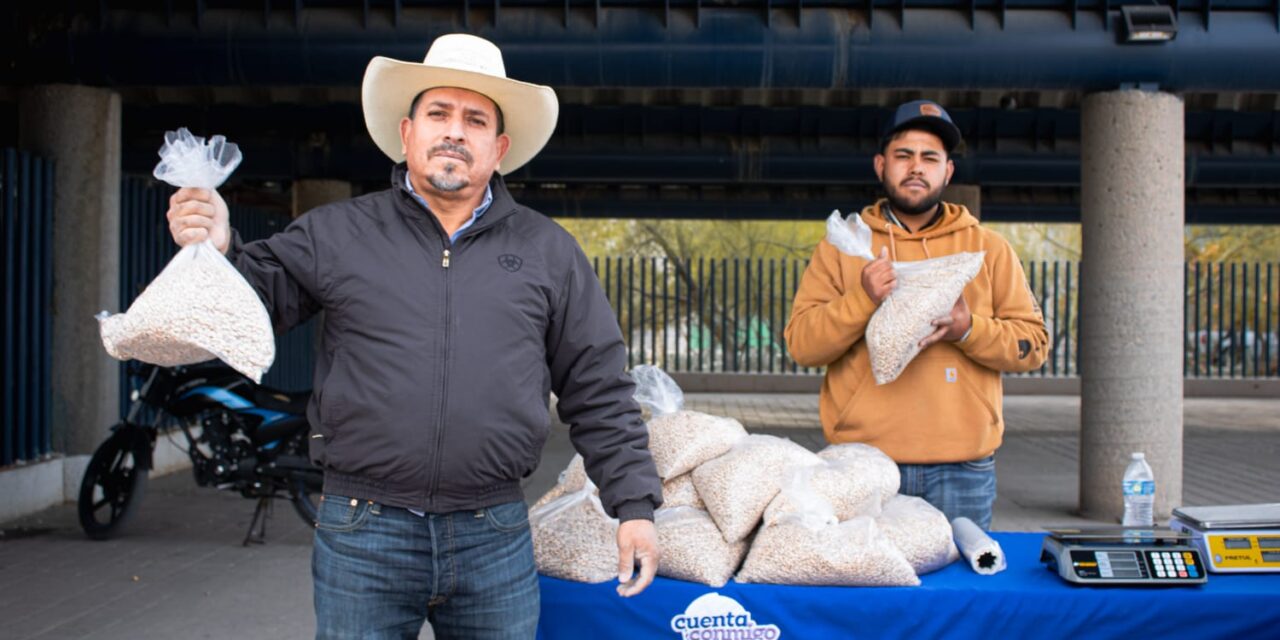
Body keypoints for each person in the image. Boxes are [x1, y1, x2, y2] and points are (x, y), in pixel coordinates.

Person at [165, 33, 662, 639]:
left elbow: (598, 387)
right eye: (439, 114)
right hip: (363, 531)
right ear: (407, 135)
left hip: (495, 534)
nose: (455, 131)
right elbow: (254, 302)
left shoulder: (548, 252)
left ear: (498, 148)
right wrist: (220, 248)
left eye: (475, 119)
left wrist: (633, 507)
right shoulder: (339, 232)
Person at [784, 100, 1048, 530]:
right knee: (869, 595)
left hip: (962, 468)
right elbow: (802, 345)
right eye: (903, 155)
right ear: (880, 165)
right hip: (863, 463)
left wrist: (968, 330)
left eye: (930, 158)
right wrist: (863, 299)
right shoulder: (841, 248)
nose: (916, 168)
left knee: (961, 595)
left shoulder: (988, 249)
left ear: (948, 172)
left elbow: (1032, 346)